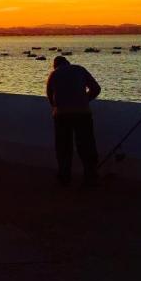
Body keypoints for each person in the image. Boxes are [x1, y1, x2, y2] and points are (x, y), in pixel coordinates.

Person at [45, 55, 101, 185]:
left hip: (62, 115)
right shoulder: (80, 69)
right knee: (86, 145)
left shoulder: (54, 74)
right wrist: (84, 100)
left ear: (55, 65)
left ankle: (64, 177)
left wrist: (56, 107)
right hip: (82, 113)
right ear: (68, 62)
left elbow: (49, 95)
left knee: (63, 147)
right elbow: (96, 89)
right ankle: (90, 176)